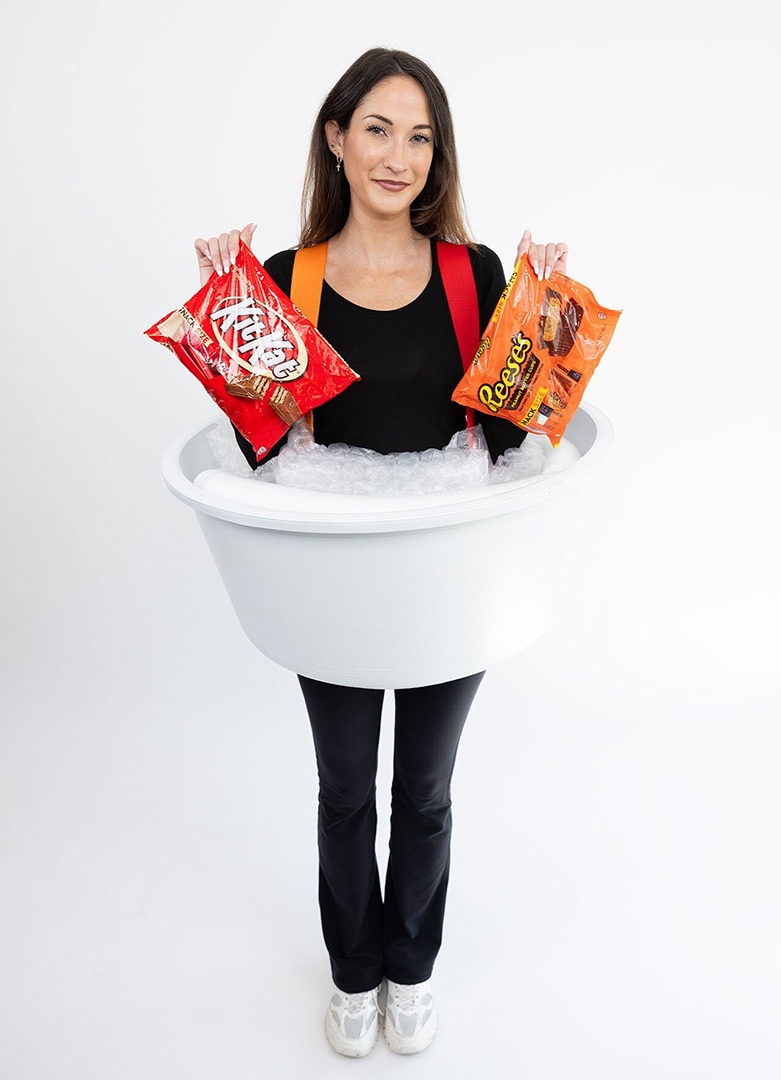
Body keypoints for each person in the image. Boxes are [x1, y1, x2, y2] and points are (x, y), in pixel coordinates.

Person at [192, 47, 571, 1059]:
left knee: (427, 792)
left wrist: (542, 319)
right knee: (347, 789)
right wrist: (228, 313)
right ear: (335, 138)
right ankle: (353, 970)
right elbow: (270, 446)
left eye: (420, 135)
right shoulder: (290, 279)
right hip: (335, 571)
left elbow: (508, 443)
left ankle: (413, 965)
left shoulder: (471, 273)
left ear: (436, 156)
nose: (399, 155)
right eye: (377, 129)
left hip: (453, 566)